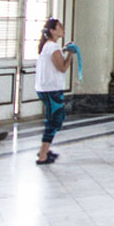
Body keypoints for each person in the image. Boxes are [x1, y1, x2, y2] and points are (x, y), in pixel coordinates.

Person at [34, 18, 73, 165]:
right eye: (60, 27)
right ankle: (43, 155)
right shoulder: (52, 47)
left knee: (58, 117)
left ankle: (45, 149)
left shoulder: (50, 46)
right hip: (51, 89)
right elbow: (62, 68)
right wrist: (70, 54)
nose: (63, 29)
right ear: (52, 30)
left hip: (50, 88)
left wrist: (64, 51)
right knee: (54, 119)